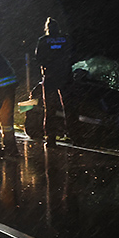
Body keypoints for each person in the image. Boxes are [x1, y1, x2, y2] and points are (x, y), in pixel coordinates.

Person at [34, 17, 74, 145]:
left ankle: (51, 137)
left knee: (50, 108)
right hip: (66, 76)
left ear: (47, 29)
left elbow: (38, 57)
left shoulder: (43, 41)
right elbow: (72, 54)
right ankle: (74, 135)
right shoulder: (66, 39)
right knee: (69, 107)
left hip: (50, 77)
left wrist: (48, 65)